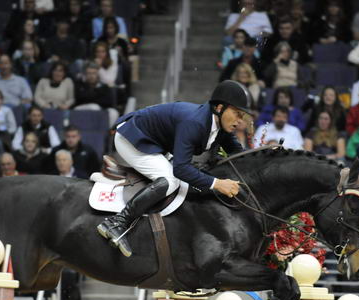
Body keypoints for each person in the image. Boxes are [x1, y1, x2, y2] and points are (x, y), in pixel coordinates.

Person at [96, 80, 251, 257]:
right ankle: (118, 222)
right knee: (171, 180)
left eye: (242, 116)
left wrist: (266, 157)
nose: (240, 121)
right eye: (237, 114)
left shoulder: (220, 124)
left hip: (156, 144)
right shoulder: (195, 122)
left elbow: (240, 156)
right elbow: (181, 169)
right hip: (133, 139)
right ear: (220, 107)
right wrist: (217, 184)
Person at [74, 62, 118, 128]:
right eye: (89, 73)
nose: (91, 76)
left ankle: (108, 134)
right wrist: (97, 96)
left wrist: (92, 96)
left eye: (94, 73)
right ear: (85, 74)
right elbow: (80, 98)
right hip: (80, 109)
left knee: (114, 112)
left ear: (97, 74)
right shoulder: (79, 85)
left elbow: (108, 102)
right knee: (94, 107)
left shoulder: (104, 86)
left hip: (99, 109)